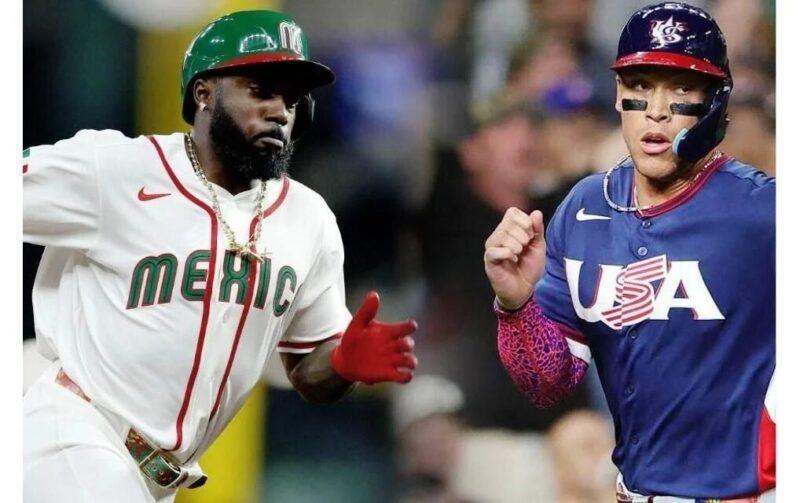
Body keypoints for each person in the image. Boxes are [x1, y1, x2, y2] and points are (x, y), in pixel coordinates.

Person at [22, 10, 418, 502]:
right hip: (72, 433)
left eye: (292, 99)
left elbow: (307, 373)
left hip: (155, 477)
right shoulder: (116, 169)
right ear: (204, 93)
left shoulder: (308, 220)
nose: (280, 111)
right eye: (261, 90)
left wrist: (340, 362)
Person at [483, 3, 775, 502]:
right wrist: (516, 304)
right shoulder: (584, 207)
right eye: (640, 85)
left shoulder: (763, 211)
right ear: (618, 96)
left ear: (714, 103)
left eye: (680, 89)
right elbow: (547, 382)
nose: (656, 110)